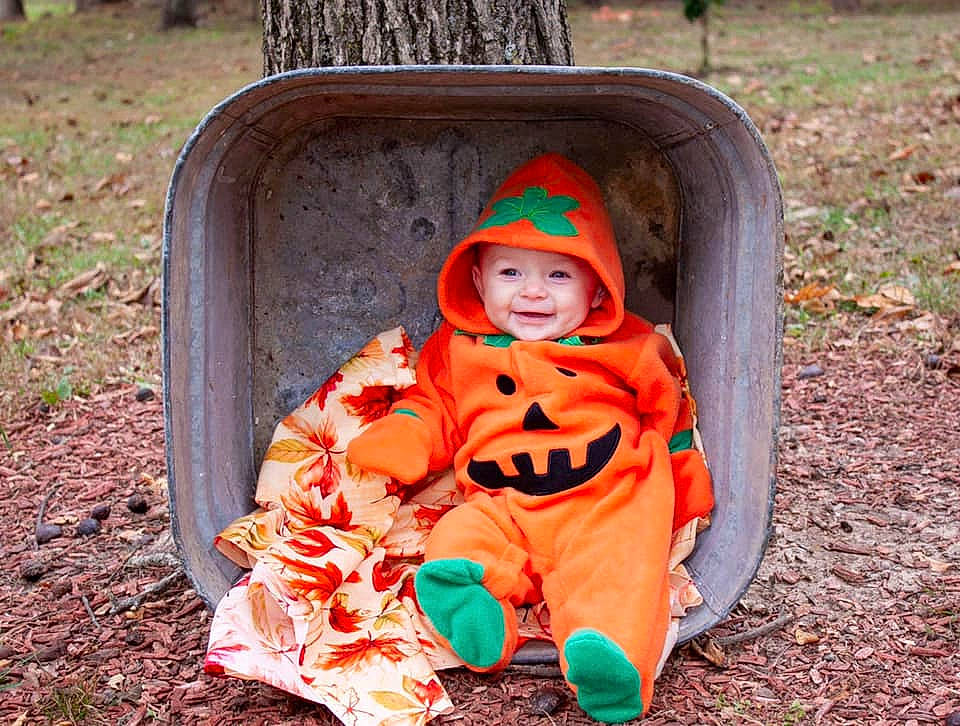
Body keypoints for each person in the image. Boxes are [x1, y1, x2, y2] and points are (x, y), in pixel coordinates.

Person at [347, 153, 713, 722]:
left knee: (620, 572)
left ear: (598, 289)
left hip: (608, 499)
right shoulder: (458, 347)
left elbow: (670, 408)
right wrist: (407, 435)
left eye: (559, 276)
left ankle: (608, 655)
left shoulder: (631, 346)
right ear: (478, 279)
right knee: (457, 539)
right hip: (502, 501)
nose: (533, 293)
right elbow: (434, 402)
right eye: (510, 273)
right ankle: (480, 615)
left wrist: (684, 470)